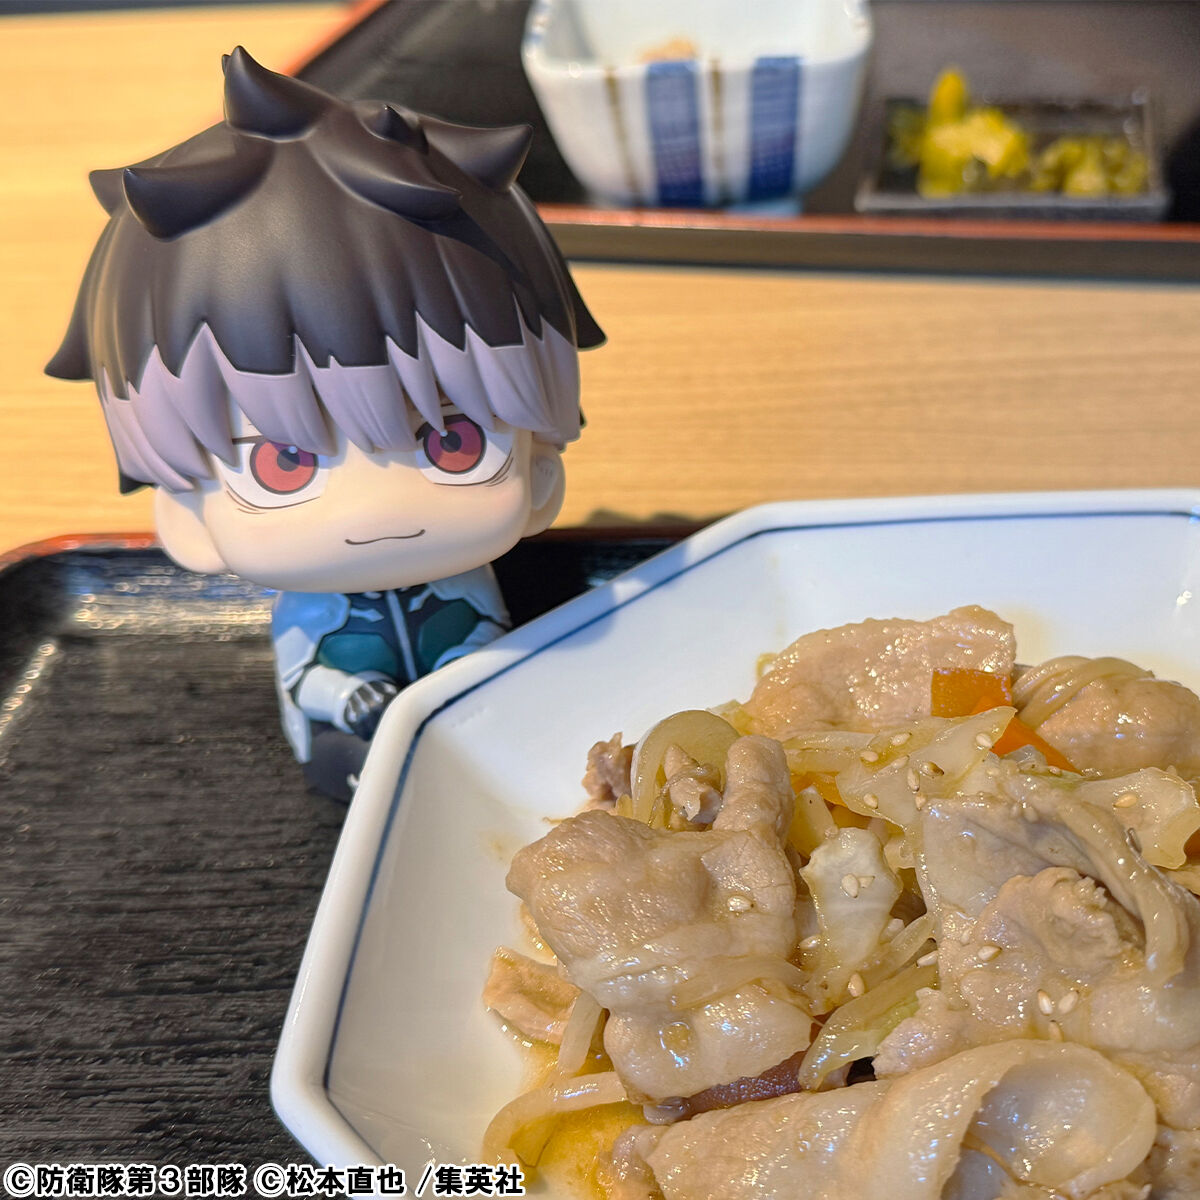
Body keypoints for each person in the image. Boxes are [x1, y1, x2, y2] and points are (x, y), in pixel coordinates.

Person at [46, 47, 604, 799]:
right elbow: (305, 673)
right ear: (185, 517)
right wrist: (347, 697)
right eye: (283, 462)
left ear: (541, 469)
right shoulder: (310, 608)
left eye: (454, 442)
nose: (376, 507)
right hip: (345, 740)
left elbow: (480, 642)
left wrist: (469, 675)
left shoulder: (471, 582)